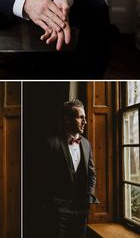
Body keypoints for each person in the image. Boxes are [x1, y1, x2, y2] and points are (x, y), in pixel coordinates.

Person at [34, 99, 98, 238]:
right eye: (80, 117)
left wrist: (89, 197)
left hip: (81, 210)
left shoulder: (86, 144)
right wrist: (51, 204)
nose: (85, 122)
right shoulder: (50, 142)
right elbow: (40, 178)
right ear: (67, 119)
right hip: (57, 210)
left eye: (85, 118)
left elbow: (92, 174)